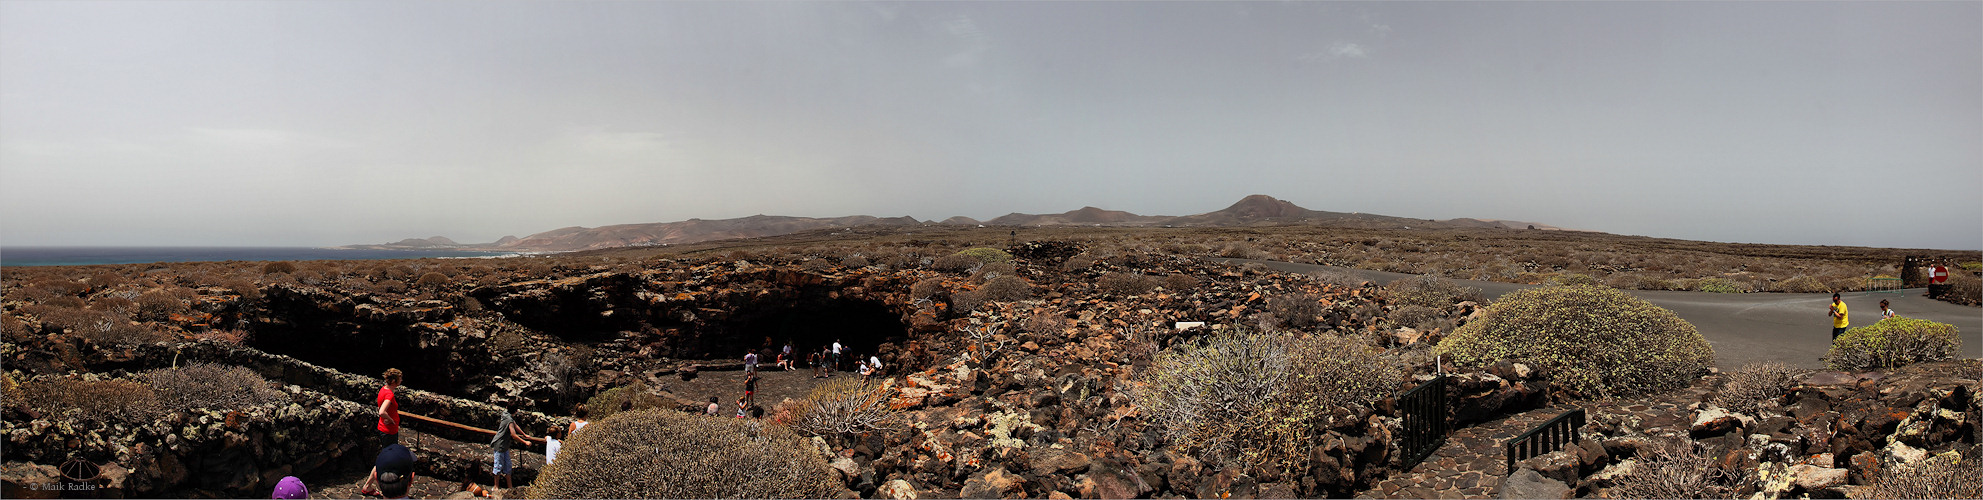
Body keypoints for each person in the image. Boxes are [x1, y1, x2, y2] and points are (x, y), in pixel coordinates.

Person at [359, 368, 404, 496]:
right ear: (395, 380)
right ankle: (378, 487)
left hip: (384, 429)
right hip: (389, 431)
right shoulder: (389, 394)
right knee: (384, 461)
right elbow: (381, 411)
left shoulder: (383, 390)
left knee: (384, 458)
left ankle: (368, 486)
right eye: (400, 379)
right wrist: (391, 420)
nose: (401, 381)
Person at [490, 403, 535, 491]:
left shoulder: (505, 414)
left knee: (508, 466)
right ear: (516, 411)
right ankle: (496, 487)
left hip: (504, 445)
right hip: (500, 445)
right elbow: (513, 435)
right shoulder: (509, 419)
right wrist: (525, 442)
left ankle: (510, 487)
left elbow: (515, 425)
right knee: (498, 466)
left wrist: (524, 434)